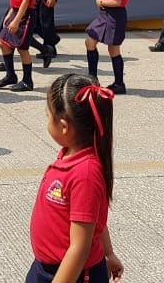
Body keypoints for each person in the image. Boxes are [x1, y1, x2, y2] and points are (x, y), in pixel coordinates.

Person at [27, 74, 123, 283]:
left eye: (47, 115)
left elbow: (79, 247)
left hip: (73, 274)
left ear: (63, 126)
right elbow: (93, 217)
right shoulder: (69, 156)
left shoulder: (85, 173)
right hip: (49, 268)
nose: (46, 121)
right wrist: (108, 253)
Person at [85, 0, 132, 94]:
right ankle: (93, 78)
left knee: (113, 49)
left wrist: (102, 2)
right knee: (90, 41)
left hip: (113, 17)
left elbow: (117, 1)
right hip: (105, 16)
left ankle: (118, 83)